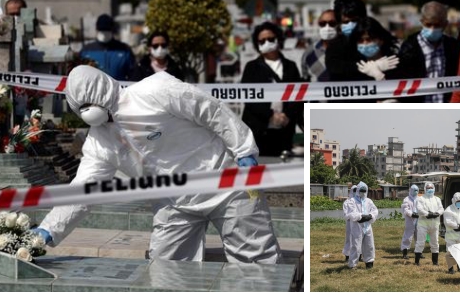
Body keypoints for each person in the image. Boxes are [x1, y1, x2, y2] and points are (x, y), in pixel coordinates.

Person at [32, 65, 281, 264]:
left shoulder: (155, 90)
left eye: (90, 103)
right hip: (174, 202)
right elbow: (83, 191)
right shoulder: (98, 143)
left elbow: (212, 110)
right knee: (166, 269)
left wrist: (244, 151)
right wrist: (48, 230)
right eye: (82, 107)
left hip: (226, 183)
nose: (89, 111)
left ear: (103, 89)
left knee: (256, 261)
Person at [240, 22, 303, 157]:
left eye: (271, 39)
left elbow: (299, 95)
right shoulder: (251, 67)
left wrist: (287, 115)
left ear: (278, 39)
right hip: (259, 130)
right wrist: (270, 116)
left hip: (284, 130)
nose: (267, 43)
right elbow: (249, 98)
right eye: (262, 41)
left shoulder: (290, 66)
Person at [396, 1, 460, 103]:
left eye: (437, 25)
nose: (432, 29)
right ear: (422, 22)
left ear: (445, 24)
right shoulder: (409, 48)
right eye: (428, 24)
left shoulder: (453, 47)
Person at [79, 14, 136, 81]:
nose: (104, 33)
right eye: (102, 30)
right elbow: (80, 75)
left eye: (107, 30)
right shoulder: (86, 51)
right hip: (94, 90)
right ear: (97, 30)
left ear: (112, 30)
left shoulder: (124, 50)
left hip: (119, 89)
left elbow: (133, 74)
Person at [351, 17, 401, 83]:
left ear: (381, 40)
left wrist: (379, 75)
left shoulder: (395, 63)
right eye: (360, 40)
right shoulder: (354, 66)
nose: (364, 43)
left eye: (369, 39)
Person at [343, 181, 378, 269]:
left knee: (369, 245)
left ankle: (369, 262)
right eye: (361, 190)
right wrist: (361, 217)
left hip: (367, 227)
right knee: (355, 245)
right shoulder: (352, 201)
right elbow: (352, 214)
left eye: (364, 190)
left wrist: (370, 216)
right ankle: (353, 264)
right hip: (356, 227)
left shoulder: (369, 201)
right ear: (358, 190)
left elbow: (375, 210)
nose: (363, 192)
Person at [301, 9, 339, 82]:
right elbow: (305, 79)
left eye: (332, 23)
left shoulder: (348, 50)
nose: (327, 27)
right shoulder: (309, 52)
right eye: (323, 23)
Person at [414, 182, 444, 266]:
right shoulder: (421, 199)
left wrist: (437, 213)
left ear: (434, 189)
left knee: (435, 243)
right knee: (420, 242)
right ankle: (417, 262)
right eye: (428, 188)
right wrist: (428, 214)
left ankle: (435, 262)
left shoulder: (437, 199)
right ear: (425, 189)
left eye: (431, 188)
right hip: (423, 225)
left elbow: (441, 209)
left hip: (434, 225)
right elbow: (419, 209)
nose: (430, 189)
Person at [443, 192, 460, 274]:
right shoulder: (448, 210)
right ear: (454, 201)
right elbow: (448, 222)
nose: (459, 203)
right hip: (451, 236)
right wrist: (457, 226)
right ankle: (450, 268)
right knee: (450, 253)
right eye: (458, 201)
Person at [400, 184, 419, 260]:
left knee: (419, 237)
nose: (416, 192)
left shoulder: (419, 199)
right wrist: (412, 214)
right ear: (411, 190)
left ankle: (418, 252)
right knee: (408, 236)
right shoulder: (406, 199)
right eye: (414, 190)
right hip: (410, 220)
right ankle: (405, 252)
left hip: (418, 220)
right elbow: (405, 209)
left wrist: (419, 214)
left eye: (417, 190)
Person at [342, 184, 358, 261]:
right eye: (354, 190)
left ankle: (359, 255)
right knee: (349, 239)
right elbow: (346, 214)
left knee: (358, 238)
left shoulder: (359, 201)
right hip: (350, 223)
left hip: (358, 223)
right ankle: (347, 255)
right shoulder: (347, 202)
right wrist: (352, 216)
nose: (355, 192)